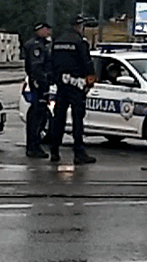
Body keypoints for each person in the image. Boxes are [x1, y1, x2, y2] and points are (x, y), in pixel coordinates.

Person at [48, 16, 97, 165]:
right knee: (77, 119)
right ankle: (79, 152)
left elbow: (52, 62)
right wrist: (90, 81)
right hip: (76, 85)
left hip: (61, 85)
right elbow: (87, 62)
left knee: (58, 119)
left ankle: (54, 151)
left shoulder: (58, 41)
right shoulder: (79, 42)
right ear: (79, 26)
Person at [23, 22, 53, 158]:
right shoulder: (37, 46)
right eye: (46, 29)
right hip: (39, 84)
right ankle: (33, 146)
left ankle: (33, 145)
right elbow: (37, 67)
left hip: (39, 83)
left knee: (38, 115)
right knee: (37, 115)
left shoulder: (40, 44)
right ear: (39, 30)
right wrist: (43, 81)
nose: (48, 32)